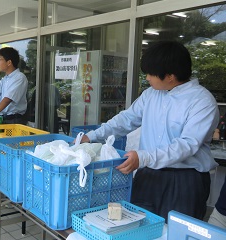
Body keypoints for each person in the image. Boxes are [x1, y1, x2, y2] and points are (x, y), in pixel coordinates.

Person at [80, 41, 220, 221]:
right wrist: (91, 137)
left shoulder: (202, 101)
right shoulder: (151, 94)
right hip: (149, 174)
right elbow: (125, 119)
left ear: (170, 76)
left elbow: (187, 145)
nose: (147, 78)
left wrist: (144, 157)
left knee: (176, 231)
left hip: (185, 179)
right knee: (138, 225)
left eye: (150, 74)